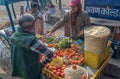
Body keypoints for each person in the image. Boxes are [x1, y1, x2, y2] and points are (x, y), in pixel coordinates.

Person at [10, 14, 55, 79]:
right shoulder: (32, 41)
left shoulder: (14, 35)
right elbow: (49, 54)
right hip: (31, 71)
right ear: (33, 25)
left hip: (20, 68)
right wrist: (43, 64)